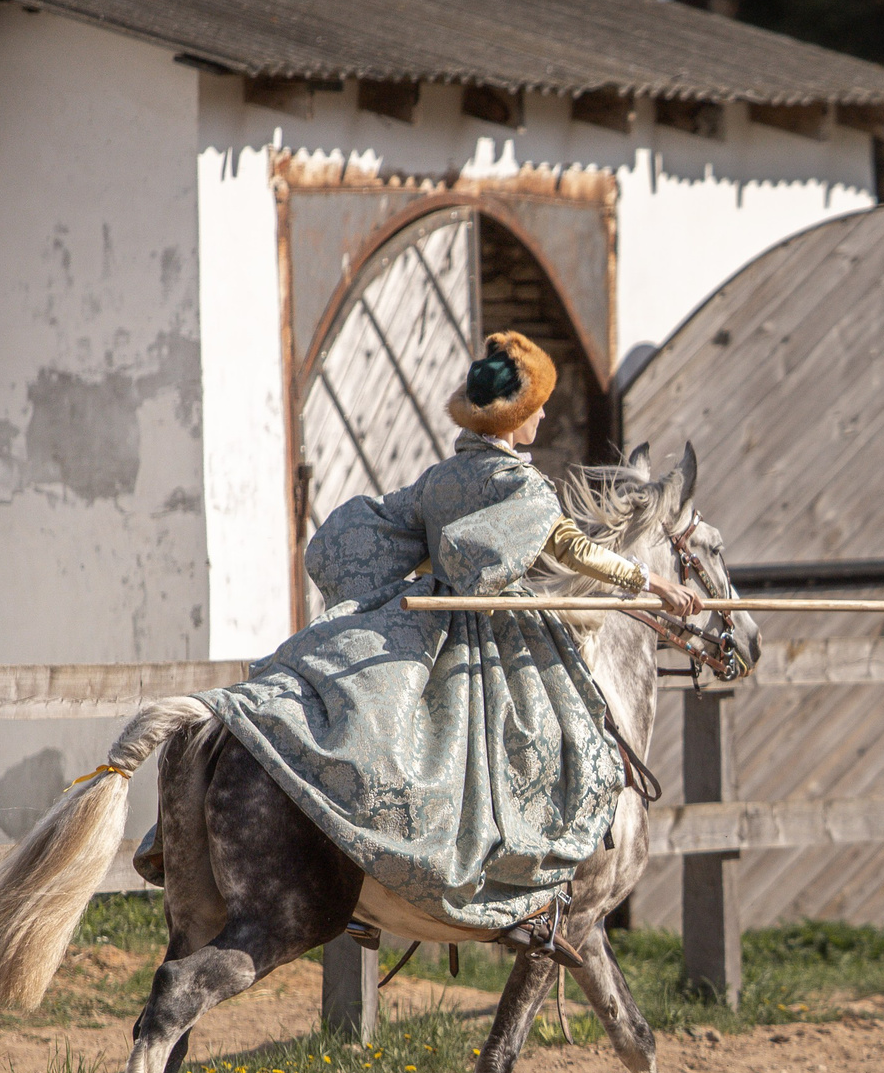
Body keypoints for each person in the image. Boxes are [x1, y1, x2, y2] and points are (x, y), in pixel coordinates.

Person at [190, 332, 704, 954]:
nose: (545, 415)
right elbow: (573, 550)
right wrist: (653, 584)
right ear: (514, 415)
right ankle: (519, 895)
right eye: (538, 405)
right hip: (494, 638)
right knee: (549, 747)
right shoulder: (522, 485)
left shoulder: (442, 477)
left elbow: (373, 526)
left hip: (427, 627)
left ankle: (367, 887)